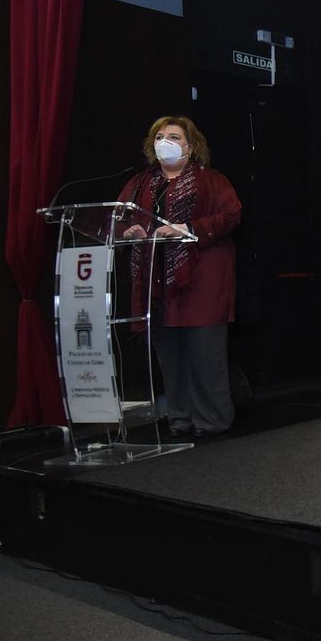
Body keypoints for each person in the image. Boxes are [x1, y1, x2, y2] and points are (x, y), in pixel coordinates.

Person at [118, 116, 243, 439]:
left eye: (173, 136)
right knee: (170, 360)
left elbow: (231, 215)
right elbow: (118, 218)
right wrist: (127, 231)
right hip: (155, 286)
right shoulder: (139, 184)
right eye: (159, 135)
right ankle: (180, 419)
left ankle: (212, 421)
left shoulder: (211, 180)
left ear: (191, 146)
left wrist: (187, 229)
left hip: (201, 283)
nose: (165, 141)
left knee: (205, 358)